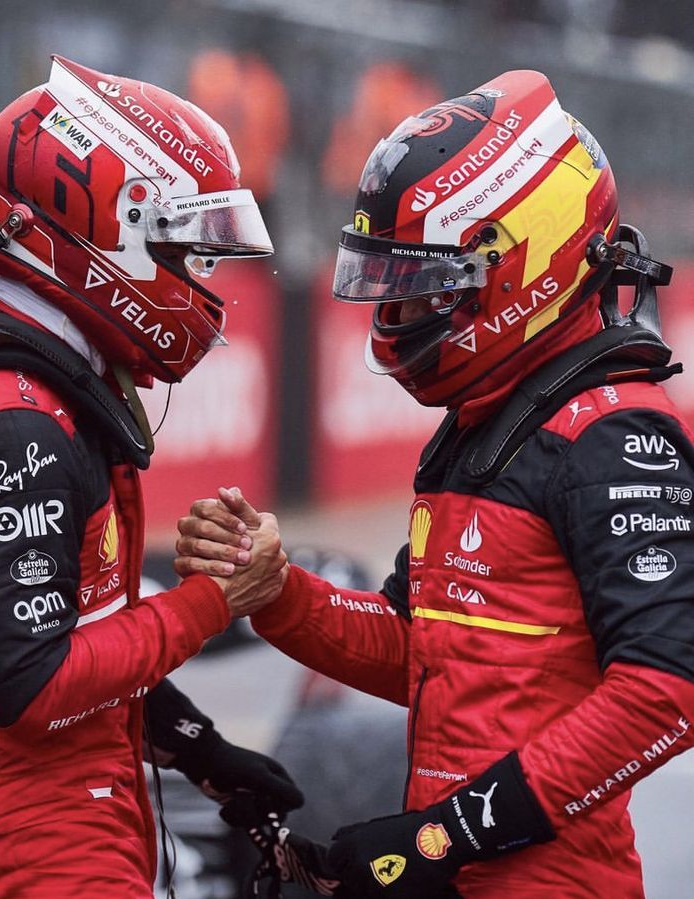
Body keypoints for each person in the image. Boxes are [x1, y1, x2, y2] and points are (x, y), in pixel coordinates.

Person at [175, 69, 694, 898]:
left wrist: (442, 835)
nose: (401, 315)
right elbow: (427, 654)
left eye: (426, 288)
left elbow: (668, 689)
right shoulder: (485, 420)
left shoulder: (613, 433)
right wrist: (274, 592)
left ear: (520, 265)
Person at [0, 56, 301, 899]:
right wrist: (213, 602)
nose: (197, 283)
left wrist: (192, 743)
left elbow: (74, 635)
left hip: (54, 819)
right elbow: (34, 684)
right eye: (181, 250)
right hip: (28, 844)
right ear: (108, 230)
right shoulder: (17, 422)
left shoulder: (48, 383)